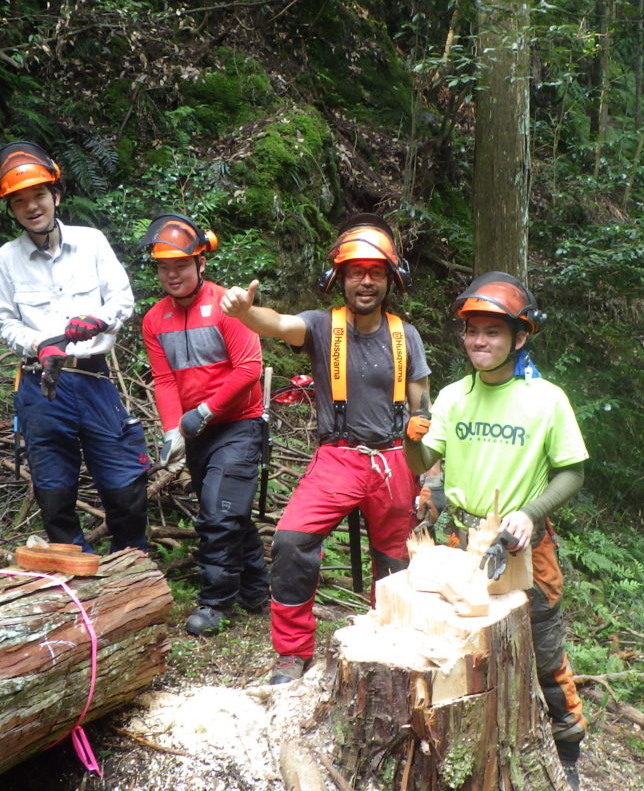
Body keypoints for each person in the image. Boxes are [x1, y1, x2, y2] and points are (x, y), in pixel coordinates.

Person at [221, 213, 430, 684]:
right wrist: (244, 312)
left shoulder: (406, 335)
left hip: (394, 459)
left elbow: (424, 409)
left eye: (376, 272)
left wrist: (429, 475)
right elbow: (275, 323)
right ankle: (292, 652)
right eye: (356, 271)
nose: (366, 280)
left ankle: (391, 639)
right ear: (340, 277)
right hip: (338, 455)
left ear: (390, 279)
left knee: (397, 559)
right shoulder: (320, 326)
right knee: (292, 540)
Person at [405, 271, 588, 791]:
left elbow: (572, 471)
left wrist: (530, 513)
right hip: (460, 544)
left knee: (546, 652)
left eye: (492, 332)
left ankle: (567, 749)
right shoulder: (452, 397)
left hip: (524, 546)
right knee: (462, 648)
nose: (479, 342)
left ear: (519, 336)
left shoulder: (546, 399)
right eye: (471, 331)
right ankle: (461, 750)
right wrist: (410, 437)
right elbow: (424, 458)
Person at [0, 141, 149, 552]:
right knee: (54, 488)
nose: (32, 206)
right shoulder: (4, 260)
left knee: (123, 482)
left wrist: (99, 319)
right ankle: (75, 572)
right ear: (11, 209)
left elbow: (122, 299)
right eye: (19, 201)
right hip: (42, 387)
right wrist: (40, 343)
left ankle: (132, 563)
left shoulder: (91, 242)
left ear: (55, 196)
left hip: (92, 377)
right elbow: (3, 321)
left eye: (38, 195)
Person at [140, 213, 270, 636]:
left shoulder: (228, 307)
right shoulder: (154, 319)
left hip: (239, 425)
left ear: (201, 263)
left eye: (180, 265)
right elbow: (163, 379)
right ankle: (255, 590)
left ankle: (215, 602)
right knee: (230, 512)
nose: (171, 274)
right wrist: (171, 429)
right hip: (197, 433)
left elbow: (249, 368)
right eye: (163, 267)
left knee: (217, 514)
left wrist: (206, 411)